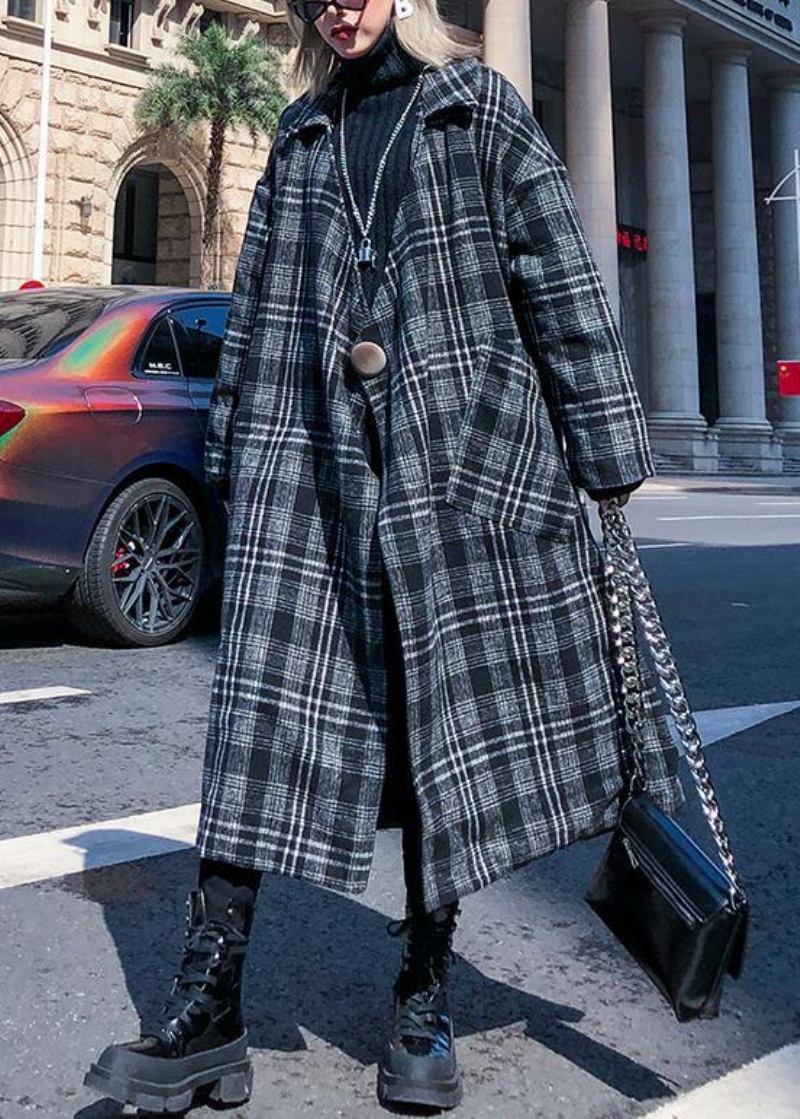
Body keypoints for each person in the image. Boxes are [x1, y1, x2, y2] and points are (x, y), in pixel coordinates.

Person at [84, 0, 684, 1113]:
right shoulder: (302, 133)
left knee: (431, 733)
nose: (336, 7)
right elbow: (261, 311)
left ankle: (422, 991)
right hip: (312, 473)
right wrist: (234, 464)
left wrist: (603, 455)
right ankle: (206, 1013)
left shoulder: (478, 112)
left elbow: (558, 283)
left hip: (459, 467)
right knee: (257, 728)